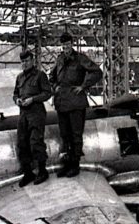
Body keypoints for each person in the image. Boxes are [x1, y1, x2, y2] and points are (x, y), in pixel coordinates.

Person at [48, 31, 103, 178]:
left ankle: (75, 165)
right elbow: (51, 77)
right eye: (63, 45)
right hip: (61, 102)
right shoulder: (59, 60)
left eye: (67, 44)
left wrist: (83, 86)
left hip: (76, 102)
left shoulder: (80, 59)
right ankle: (67, 165)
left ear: (71, 44)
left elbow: (97, 72)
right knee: (65, 135)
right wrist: (55, 88)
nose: (65, 47)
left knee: (75, 135)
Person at [13, 50, 53, 187]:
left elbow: (48, 93)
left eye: (27, 61)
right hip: (23, 114)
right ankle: (28, 173)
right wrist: (17, 100)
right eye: (22, 61)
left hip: (36, 113)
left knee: (35, 142)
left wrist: (33, 99)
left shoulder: (40, 75)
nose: (25, 64)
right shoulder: (19, 78)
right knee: (21, 143)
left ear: (32, 61)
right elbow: (15, 94)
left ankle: (42, 171)